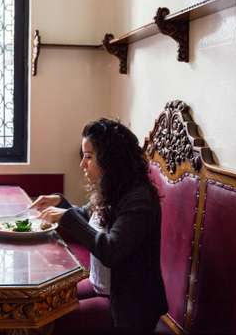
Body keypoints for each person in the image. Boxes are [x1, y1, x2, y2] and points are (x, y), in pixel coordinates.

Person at [31, 118, 168, 333]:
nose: (81, 164)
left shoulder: (139, 199)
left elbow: (111, 250)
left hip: (128, 307)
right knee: (40, 303)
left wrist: (66, 216)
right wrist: (61, 202)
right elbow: (87, 217)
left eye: (88, 157)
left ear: (109, 160)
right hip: (103, 287)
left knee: (48, 320)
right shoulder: (115, 188)